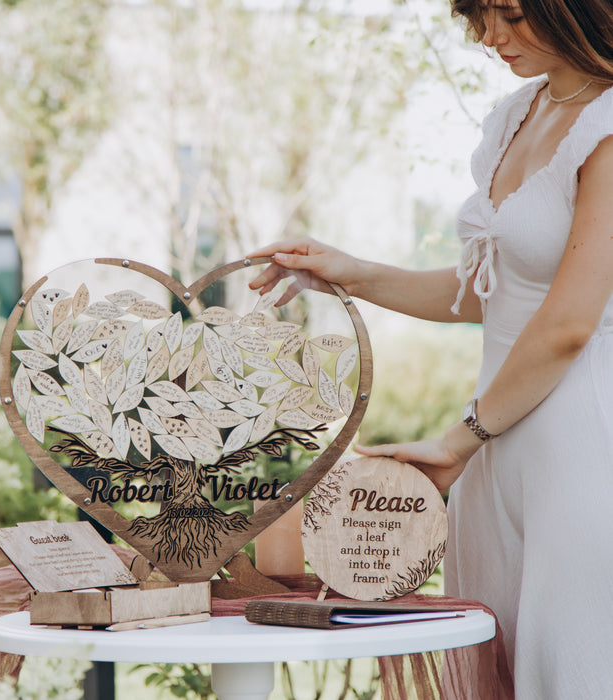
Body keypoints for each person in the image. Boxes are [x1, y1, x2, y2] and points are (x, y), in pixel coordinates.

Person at [248, 0, 613, 696]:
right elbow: (494, 294)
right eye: (478, 16)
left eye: (510, 14)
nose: (490, 38)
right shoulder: (517, 115)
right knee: (500, 673)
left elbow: (568, 323)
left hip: (584, 453)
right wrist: (349, 273)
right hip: (496, 452)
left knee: (579, 670)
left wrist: (459, 440)